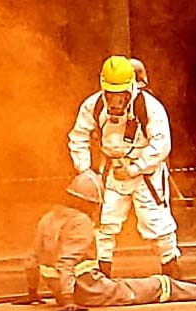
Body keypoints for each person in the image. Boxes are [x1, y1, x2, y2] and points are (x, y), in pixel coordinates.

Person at [19, 171, 196, 311]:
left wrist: (33, 293)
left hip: (66, 290)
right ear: (89, 202)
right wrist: (69, 300)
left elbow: (31, 259)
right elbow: (67, 262)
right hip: (90, 291)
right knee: (159, 285)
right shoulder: (80, 222)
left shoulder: (48, 217)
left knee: (131, 284)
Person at [68, 55, 181, 278]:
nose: (115, 100)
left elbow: (161, 144)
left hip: (145, 174)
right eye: (111, 93)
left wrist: (135, 168)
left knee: (157, 221)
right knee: (104, 222)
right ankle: (101, 273)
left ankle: (172, 271)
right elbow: (78, 136)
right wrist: (86, 172)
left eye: (120, 94)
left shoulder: (150, 107)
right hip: (109, 172)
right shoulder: (93, 106)